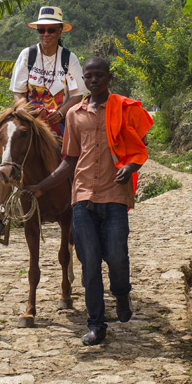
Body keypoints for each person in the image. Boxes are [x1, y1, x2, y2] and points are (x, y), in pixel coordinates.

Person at [26, 56, 153, 345]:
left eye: (99, 75)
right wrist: (41, 187)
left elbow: (140, 148)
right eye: (89, 76)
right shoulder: (74, 115)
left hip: (115, 194)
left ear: (109, 77)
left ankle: (121, 293)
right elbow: (69, 160)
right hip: (82, 196)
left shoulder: (125, 109)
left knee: (118, 257)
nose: (93, 80)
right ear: (84, 79)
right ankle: (96, 324)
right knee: (89, 261)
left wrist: (130, 167)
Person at [0, 6, 84, 239]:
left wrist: (60, 113)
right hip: (30, 120)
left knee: (76, 157)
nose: (46, 34)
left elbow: (77, 95)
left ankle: (80, 205)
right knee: (8, 156)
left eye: (51, 30)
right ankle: (0, 216)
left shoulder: (69, 59)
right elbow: (19, 93)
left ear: (60, 31)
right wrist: (27, 112)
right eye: (42, 30)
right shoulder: (27, 56)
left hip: (59, 120)